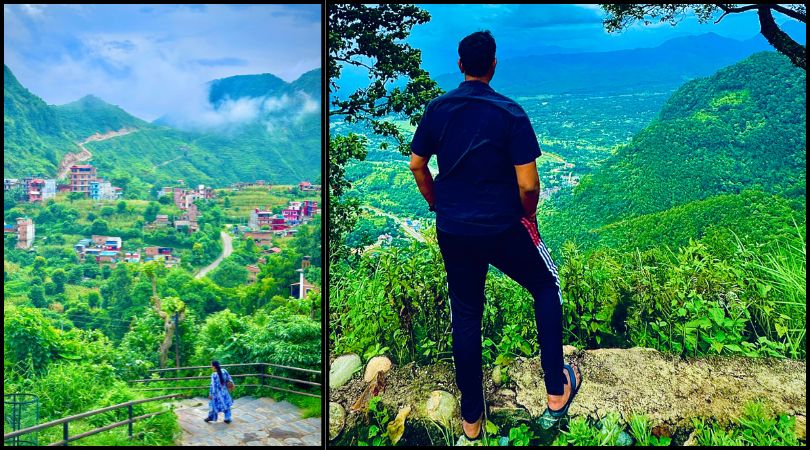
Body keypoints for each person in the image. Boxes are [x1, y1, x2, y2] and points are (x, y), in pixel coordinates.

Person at [409, 30, 582, 441]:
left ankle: (471, 421)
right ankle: (556, 392)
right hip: (503, 226)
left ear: (460, 64)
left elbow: (417, 165)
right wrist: (529, 217)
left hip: (454, 230)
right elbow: (528, 185)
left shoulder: (437, 109)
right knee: (545, 285)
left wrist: (438, 205)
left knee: (466, 314)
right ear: (494, 64)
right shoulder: (510, 113)